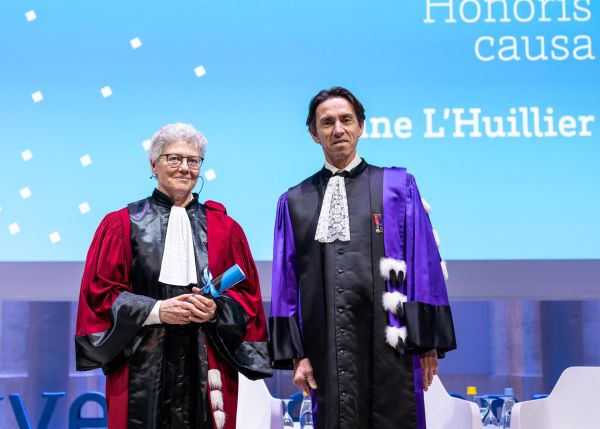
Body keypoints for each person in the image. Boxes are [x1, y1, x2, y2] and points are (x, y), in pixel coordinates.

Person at [269, 87, 457, 428]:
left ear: (361, 127)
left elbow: (423, 263)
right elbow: (287, 283)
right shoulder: (294, 200)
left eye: (346, 120)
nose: (338, 129)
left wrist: (428, 343)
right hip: (325, 345)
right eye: (327, 122)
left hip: (393, 342)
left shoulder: (398, 187)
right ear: (314, 134)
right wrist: (298, 355)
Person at [75, 123, 271, 429]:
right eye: (174, 158)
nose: (185, 168)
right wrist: (157, 310)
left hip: (207, 364)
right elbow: (100, 294)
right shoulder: (121, 225)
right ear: (153, 164)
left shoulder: (226, 230)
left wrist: (217, 310)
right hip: (141, 365)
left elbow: (248, 299)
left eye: (193, 161)